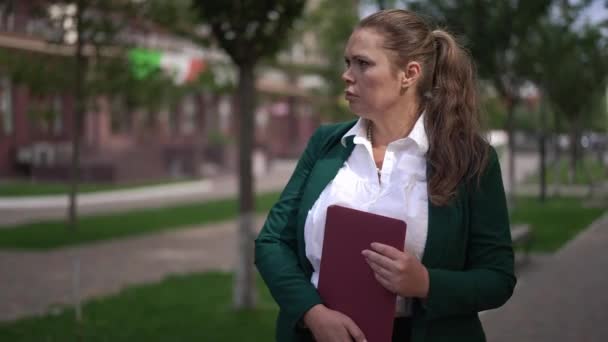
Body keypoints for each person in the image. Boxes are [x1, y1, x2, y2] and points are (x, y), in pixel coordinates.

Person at [255, 9, 515, 342]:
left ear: (409, 74)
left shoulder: (471, 158)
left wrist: (426, 283)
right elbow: (272, 243)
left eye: (363, 64)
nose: (347, 75)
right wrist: (312, 313)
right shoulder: (326, 144)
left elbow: (497, 278)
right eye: (347, 62)